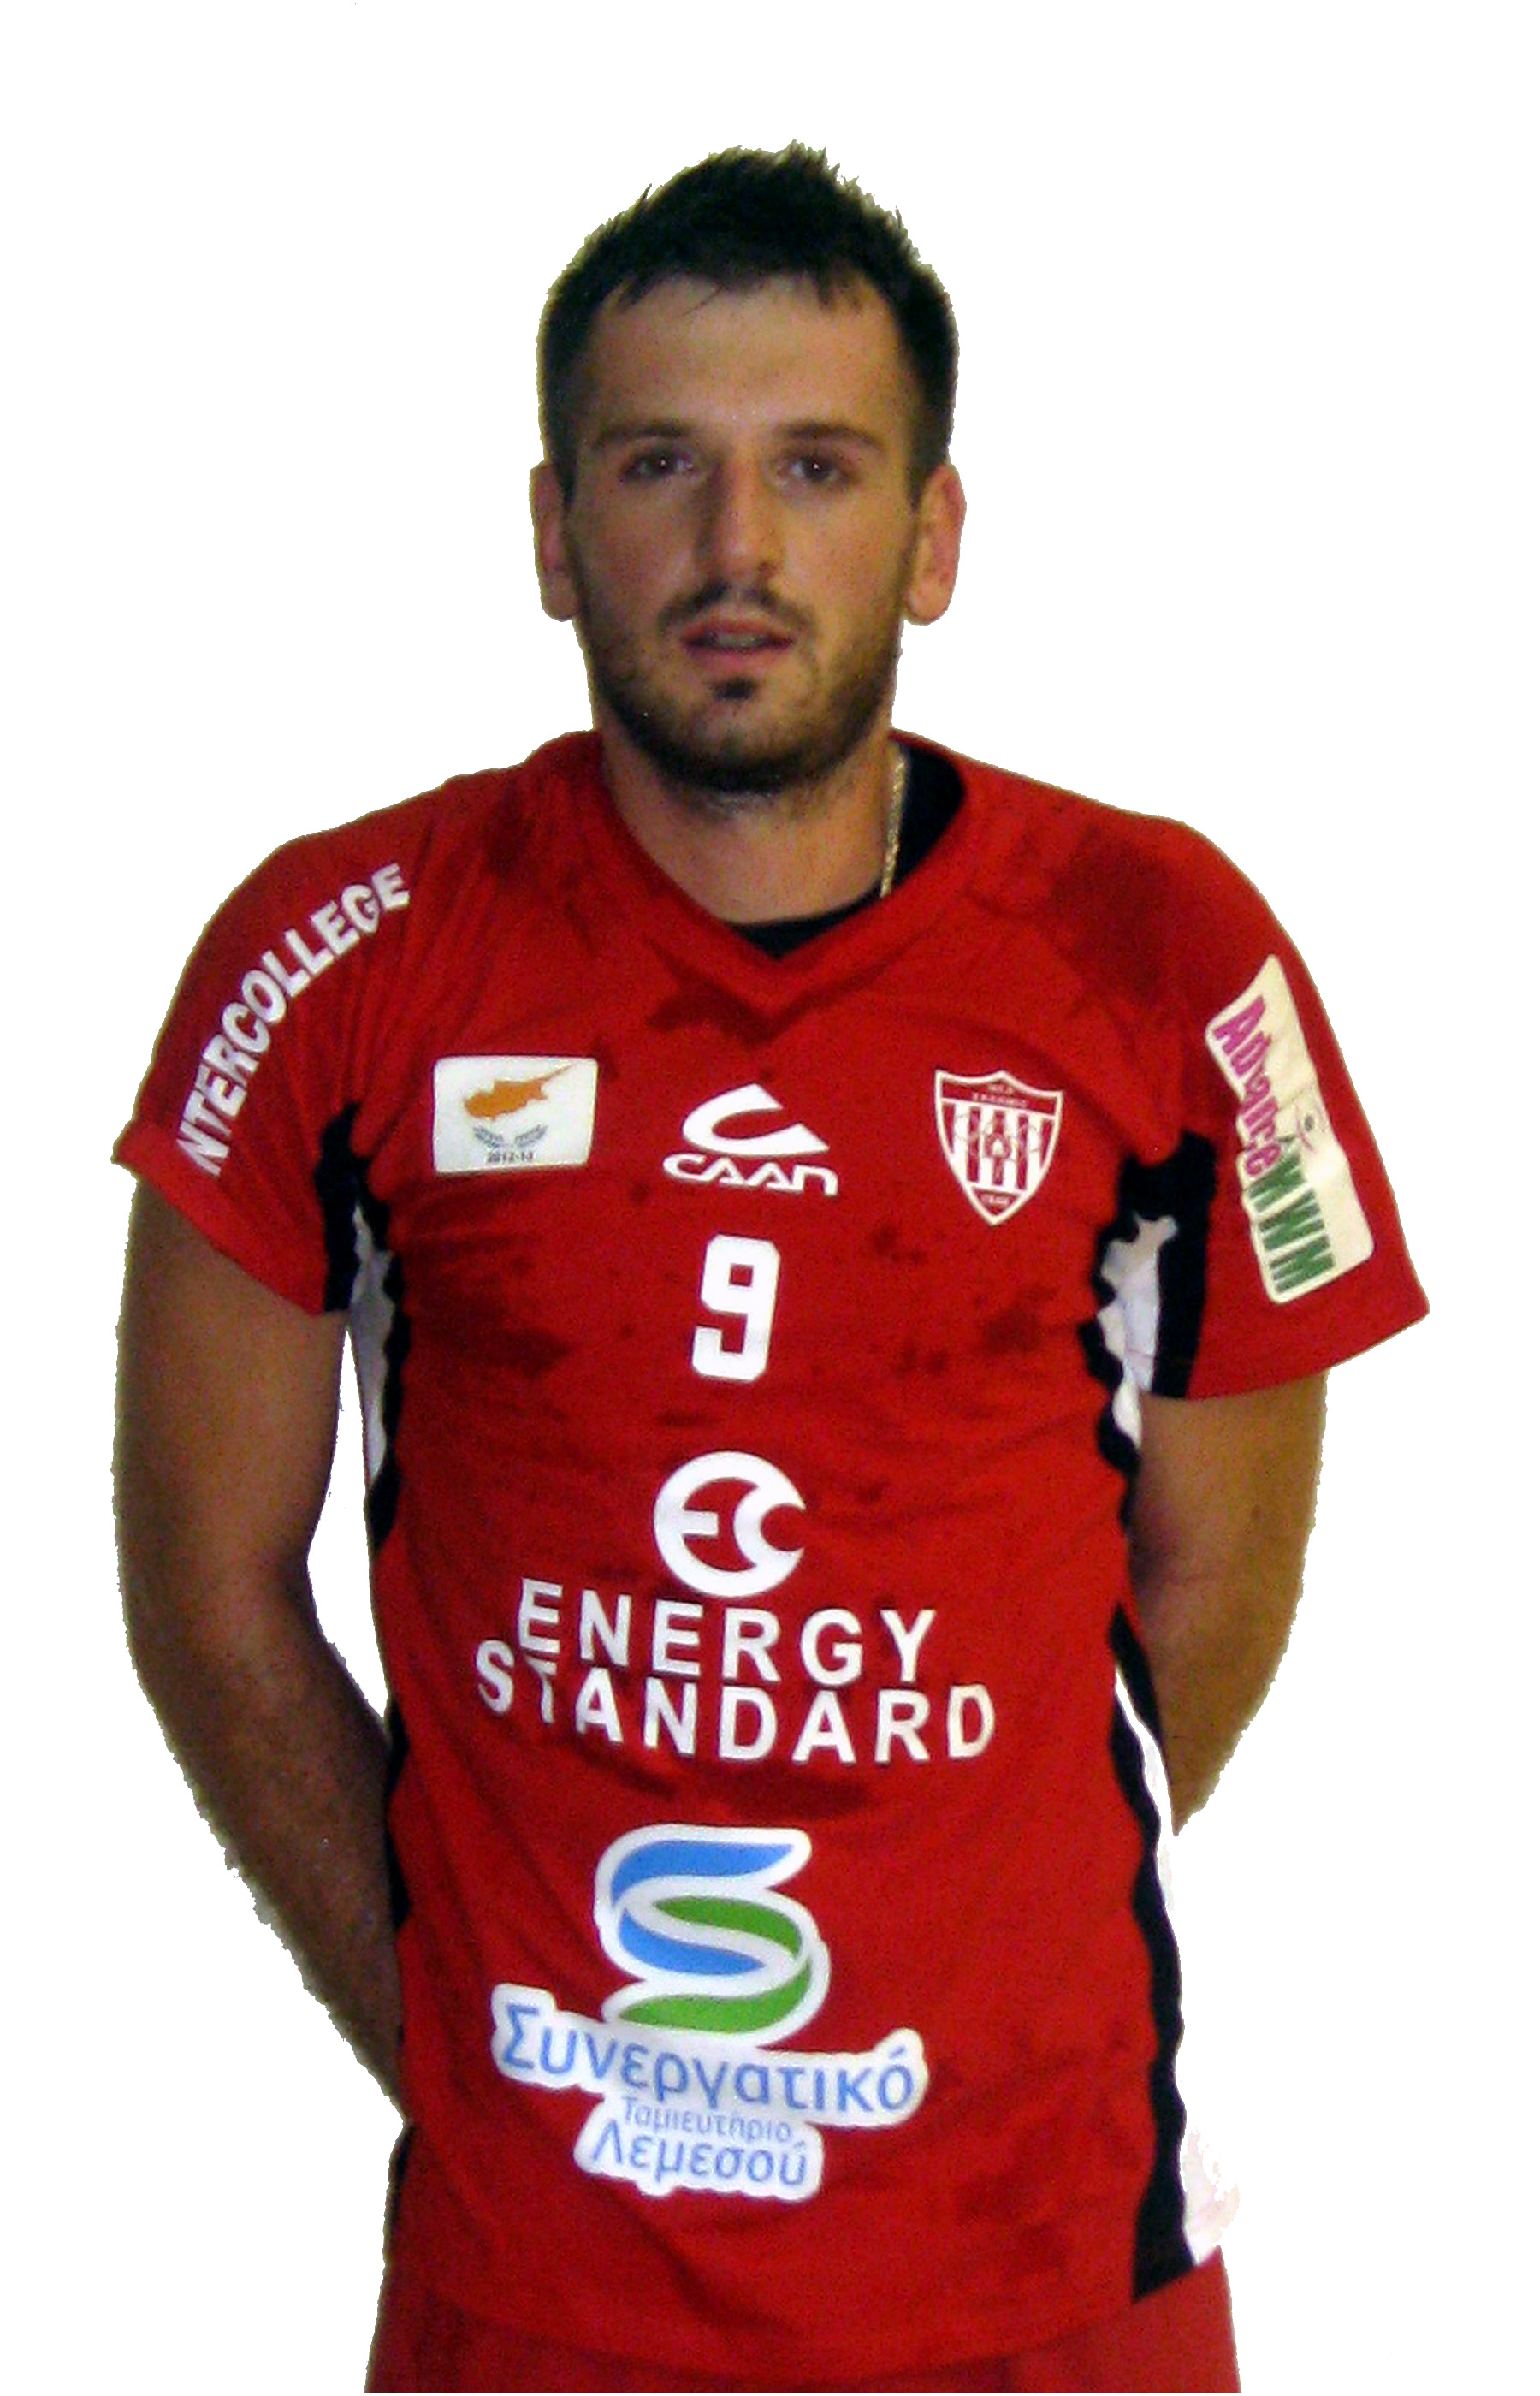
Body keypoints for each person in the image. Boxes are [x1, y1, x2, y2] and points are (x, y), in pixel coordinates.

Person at [113, 146, 1427, 2393]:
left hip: (1051, 2266)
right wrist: (469, 2048)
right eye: (661, 467)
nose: (739, 550)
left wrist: (957, 1915)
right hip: (540, 2288)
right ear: (554, 534)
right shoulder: (336, 955)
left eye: (818, 468)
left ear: (932, 535)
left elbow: (1214, 1591)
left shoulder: (1173, 957)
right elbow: (205, 1590)